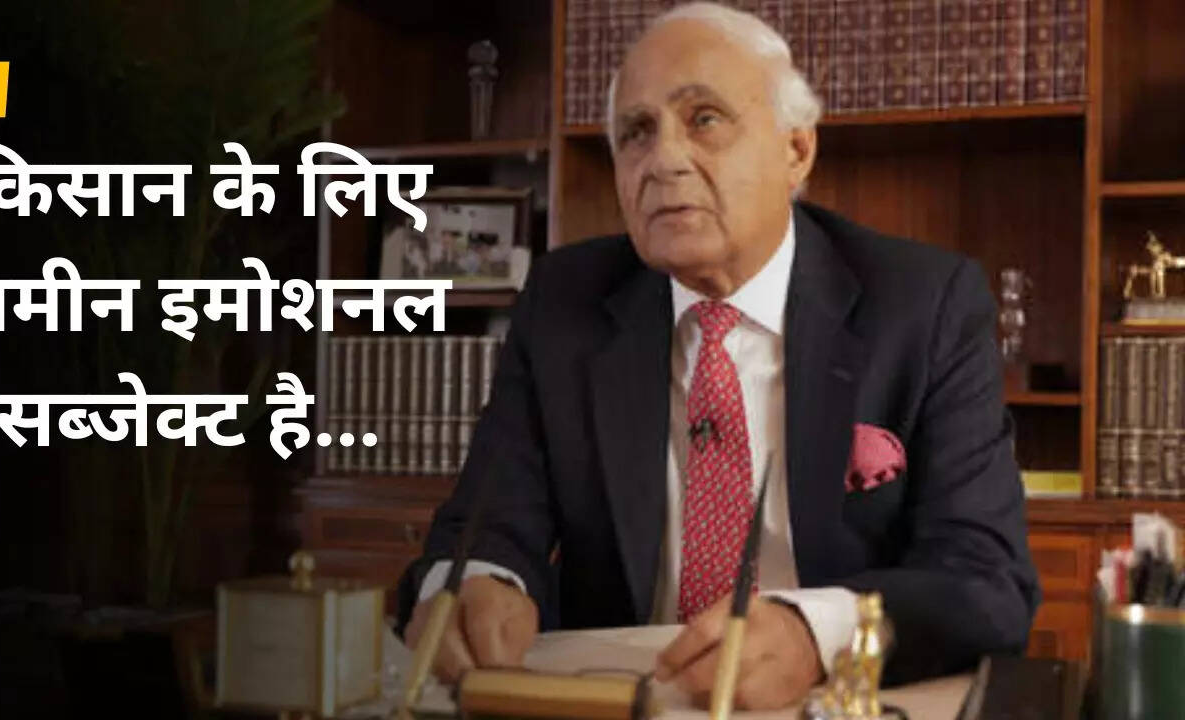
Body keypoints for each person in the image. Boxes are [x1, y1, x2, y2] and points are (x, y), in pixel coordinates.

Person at [397, 2, 1039, 710]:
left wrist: (816, 633)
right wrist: (475, 583)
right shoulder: (563, 304)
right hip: (626, 698)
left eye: (703, 119)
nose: (663, 159)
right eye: (636, 132)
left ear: (796, 151)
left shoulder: (924, 305)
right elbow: (487, 521)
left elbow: (986, 580)